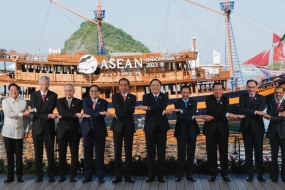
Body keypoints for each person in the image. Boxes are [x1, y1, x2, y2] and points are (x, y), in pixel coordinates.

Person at [136, 79, 172, 182]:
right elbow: (160, 109)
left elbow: (162, 106)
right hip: (150, 128)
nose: (155, 87)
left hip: (162, 127)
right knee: (150, 152)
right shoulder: (146, 96)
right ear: (150, 87)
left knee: (161, 152)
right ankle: (150, 175)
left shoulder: (164, 96)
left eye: (157, 85)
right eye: (153, 85)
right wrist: (162, 111)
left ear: (160, 86)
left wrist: (148, 108)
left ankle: (161, 175)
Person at [203, 81, 238, 182]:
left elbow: (215, 113)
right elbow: (212, 110)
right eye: (216, 90)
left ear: (222, 90)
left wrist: (212, 117)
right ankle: (212, 174)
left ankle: (225, 174)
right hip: (210, 130)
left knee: (224, 153)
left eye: (220, 89)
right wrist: (226, 114)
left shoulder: (226, 99)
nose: (218, 91)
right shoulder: (208, 99)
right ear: (213, 90)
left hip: (223, 130)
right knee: (211, 153)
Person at [30, 76, 58, 182]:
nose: (44, 86)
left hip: (49, 128)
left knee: (50, 152)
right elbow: (38, 113)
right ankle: (39, 175)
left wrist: (36, 109)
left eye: (46, 84)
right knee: (38, 152)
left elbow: (49, 108)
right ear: (39, 84)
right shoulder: (33, 95)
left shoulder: (53, 95)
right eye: (42, 84)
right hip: (37, 128)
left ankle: (51, 174)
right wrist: (46, 115)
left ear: (49, 84)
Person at [1, 83, 30, 183]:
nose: (14, 92)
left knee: (19, 155)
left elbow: (27, 118)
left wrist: (26, 130)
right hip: (8, 132)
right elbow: (9, 114)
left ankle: (19, 176)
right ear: (9, 91)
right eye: (12, 90)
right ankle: (10, 176)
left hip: (19, 131)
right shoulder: (5, 101)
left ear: (18, 91)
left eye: (15, 90)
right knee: (9, 155)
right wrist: (22, 114)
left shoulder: (23, 102)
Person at [108, 78, 136, 183]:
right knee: (117, 152)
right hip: (117, 127)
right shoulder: (115, 96)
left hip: (129, 127)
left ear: (128, 86)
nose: (123, 87)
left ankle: (128, 175)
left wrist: (115, 115)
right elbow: (121, 109)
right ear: (118, 86)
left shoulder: (133, 97)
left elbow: (130, 111)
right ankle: (118, 175)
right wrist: (126, 110)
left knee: (129, 152)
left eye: (125, 85)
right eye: (121, 85)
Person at [172, 85, 201, 182]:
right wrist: (191, 116)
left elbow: (192, 112)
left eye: (187, 92)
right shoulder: (177, 102)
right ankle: (179, 174)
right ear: (181, 93)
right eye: (183, 92)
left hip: (192, 130)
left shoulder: (194, 102)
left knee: (191, 153)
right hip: (181, 131)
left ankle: (190, 174)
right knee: (181, 153)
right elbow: (180, 117)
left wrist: (182, 111)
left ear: (190, 93)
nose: (185, 94)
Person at [239, 79, 265, 182]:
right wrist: (255, 112)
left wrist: (246, 114)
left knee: (259, 152)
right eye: (249, 87)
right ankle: (249, 174)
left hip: (258, 128)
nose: (251, 89)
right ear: (246, 87)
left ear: (256, 87)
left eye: (253, 87)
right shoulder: (242, 97)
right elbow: (241, 109)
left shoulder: (262, 98)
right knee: (248, 152)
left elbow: (261, 109)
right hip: (246, 128)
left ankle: (260, 174)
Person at [80, 84, 108, 183]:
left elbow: (102, 116)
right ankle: (88, 176)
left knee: (99, 155)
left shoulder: (104, 102)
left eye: (95, 91)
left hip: (99, 131)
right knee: (87, 154)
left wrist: (93, 114)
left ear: (98, 92)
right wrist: (99, 113)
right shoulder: (85, 101)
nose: (93, 93)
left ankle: (100, 176)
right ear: (89, 92)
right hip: (87, 131)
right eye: (91, 91)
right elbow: (87, 110)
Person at [56, 83, 82, 182]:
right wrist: (75, 114)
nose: (68, 92)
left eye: (70, 90)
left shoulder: (79, 102)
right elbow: (61, 111)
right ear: (64, 91)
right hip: (62, 131)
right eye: (66, 90)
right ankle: (62, 174)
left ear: (74, 91)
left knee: (74, 154)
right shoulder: (59, 101)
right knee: (62, 154)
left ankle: (73, 175)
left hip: (74, 131)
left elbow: (64, 114)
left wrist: (66, 114)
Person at [263, 86, 285, 182]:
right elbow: (268, 115)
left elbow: (270, 116)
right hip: (273, 133)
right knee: (274, 156)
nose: (278, 94)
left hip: (284, 134)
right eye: (276, 92)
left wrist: (272, 117)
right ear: (274, 93)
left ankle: (284, 176)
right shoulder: (270, 103)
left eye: (280, 92)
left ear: (283, 93)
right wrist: (280, 114)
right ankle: (274, 176)